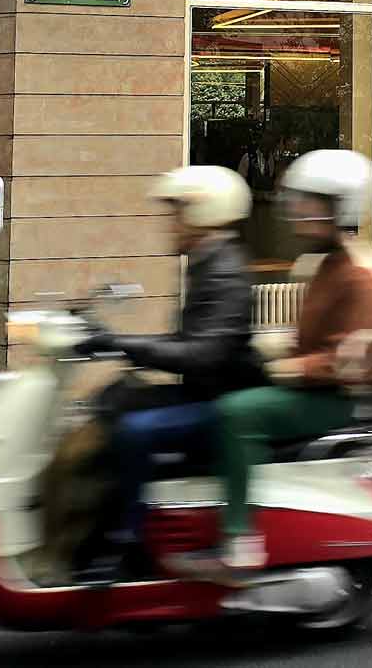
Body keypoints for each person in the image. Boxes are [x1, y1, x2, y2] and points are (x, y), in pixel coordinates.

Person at [71, 165, 263, 581]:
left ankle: (128, 543)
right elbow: (184, 339)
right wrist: (116, 342)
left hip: (220, 401)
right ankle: (99, 525)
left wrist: (120, 343)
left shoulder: (225, 271)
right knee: (112, 400)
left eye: (177, 212)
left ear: (203, 213)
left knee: (134, 431)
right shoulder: (206, 262)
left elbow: (203, 353)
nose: (169, 223)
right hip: (204, 391)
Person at [209, 149, 372, 575]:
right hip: (314, 389)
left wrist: (288, 367)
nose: (299, 212)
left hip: (336, 399)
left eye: (313, 203)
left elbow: (349, 361)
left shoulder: (363, 273)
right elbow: (312, 338)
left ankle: (239, 537)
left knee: (237, 413)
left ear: (341, 207)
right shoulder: (328, 263)